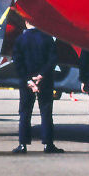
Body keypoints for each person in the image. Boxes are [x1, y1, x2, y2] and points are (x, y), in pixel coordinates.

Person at [12, 23, 63, 154]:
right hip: (45, 81)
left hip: (26, 82)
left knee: (24, 113)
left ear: (25, 22)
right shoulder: (47, 38)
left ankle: (23, 144)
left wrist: (28, 80)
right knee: (46, 112)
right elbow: (53, 59)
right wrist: (42, 75)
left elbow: (18, 62)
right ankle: (48, 144)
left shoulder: (20, 39)